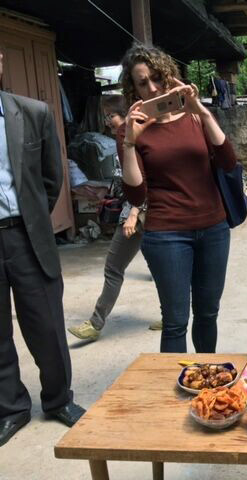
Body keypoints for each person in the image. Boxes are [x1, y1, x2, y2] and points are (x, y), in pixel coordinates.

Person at [117, 44, 237, 353]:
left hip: (214, 228)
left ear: (170, 75)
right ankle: (171, 398)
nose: (154, 88)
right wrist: (130, 142)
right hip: (166, 234)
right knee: (175, 321)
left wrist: (201, 111)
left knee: (208, 314)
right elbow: (136, 193)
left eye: (157, 77)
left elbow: (228, 161)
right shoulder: (133, 128)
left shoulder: (194, 116)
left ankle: (209, 384)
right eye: (143, 83)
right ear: (134, 88)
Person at [0, 49, 85, 447]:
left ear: (1, 61)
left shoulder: (32, 113)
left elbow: (52, 178)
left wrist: (31, 218)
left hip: (25, 233)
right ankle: (12, 407)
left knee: (46, 323)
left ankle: (58, 400)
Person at [67, 95, 156, 341]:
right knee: (159, 267)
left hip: (140, 216)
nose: (108, 121)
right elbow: (123, 182)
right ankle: (171, 313)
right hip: (135, 213)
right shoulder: (118, 142)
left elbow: (144, 182)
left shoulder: (135, 140)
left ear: (126, 114)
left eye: (111, 115)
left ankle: (96, 323)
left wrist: (133, 214)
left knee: (114, 268)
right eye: (106, 116)